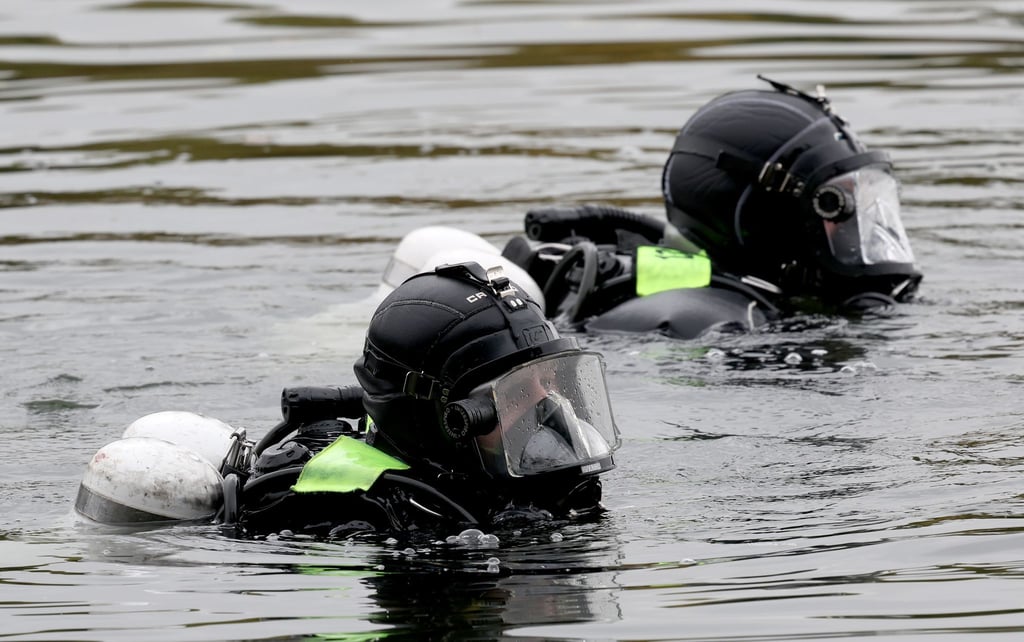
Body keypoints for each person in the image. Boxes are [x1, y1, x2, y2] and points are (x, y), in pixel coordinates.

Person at [75, 262, 621, 540]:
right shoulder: (360, 517)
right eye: (518, 393)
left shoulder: (524, 479)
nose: (549, 407)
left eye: (549, 381)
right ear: (440, 420)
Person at [501, 76, 923, 339]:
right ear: (765, 222)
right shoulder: (715, 323)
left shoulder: (750, 295)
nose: (860, 233)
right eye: (837, 208)